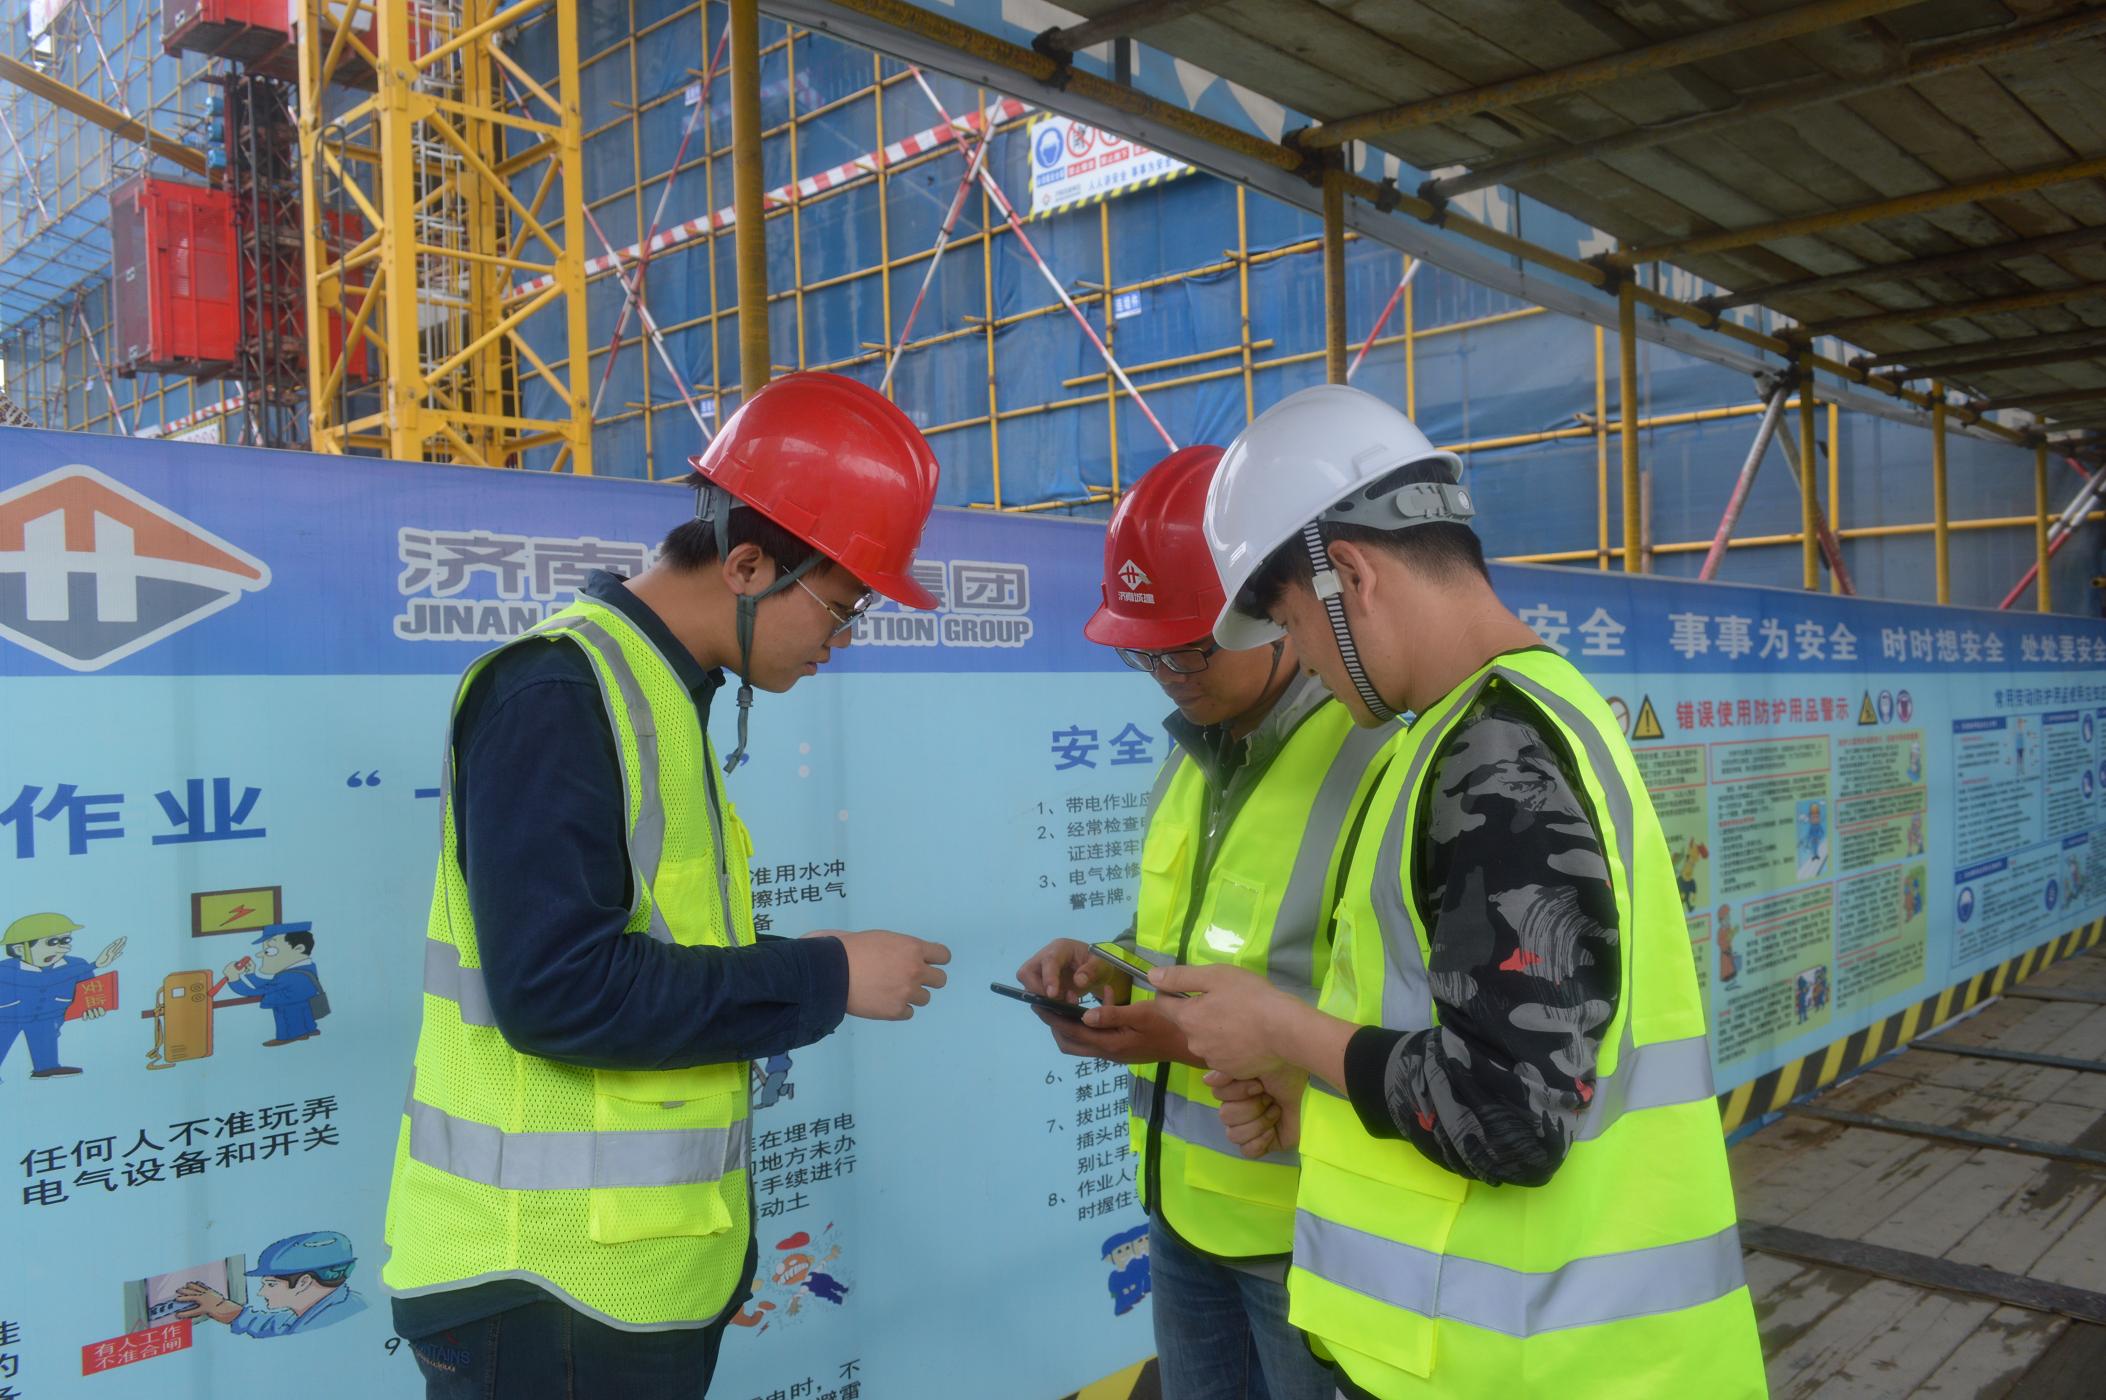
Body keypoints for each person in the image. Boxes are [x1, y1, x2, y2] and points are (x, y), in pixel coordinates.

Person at [1148, 385, 1765, 1398]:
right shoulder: (1492, 724)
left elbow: (1511, 1113)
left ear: (1350, 575)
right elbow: (1493, 1051)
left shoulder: (1493, 753)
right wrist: (1321, 1106)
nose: (1304, 660)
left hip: (1540, 1369)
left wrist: (1280, 1029)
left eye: (1292, 622)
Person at [383, 373, 954, 1398]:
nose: (841, 639)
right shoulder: (556, 692)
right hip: (541, 1285)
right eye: (842, 605)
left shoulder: (659, 693)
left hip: (623, 1284)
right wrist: (825, 975)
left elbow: (643, 952)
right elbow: (559, 988)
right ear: (748, 564)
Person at [1017, 447, 1390, 1400]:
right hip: (1181, 1213)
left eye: (1188, 649)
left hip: (1307, 1229)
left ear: (1273, 612)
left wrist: (1178, 1037)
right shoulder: (1197, 752)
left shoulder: (1374, 755)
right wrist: (1109, 965)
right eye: (1145, 653)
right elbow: (1186, 940)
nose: (1167, 676)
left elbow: (1398, 1017)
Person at [0, 913, 125, 1081]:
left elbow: (89, 993)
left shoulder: (77, 965)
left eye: (66, 940)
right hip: (6, 1017)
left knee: (45, 1036)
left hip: (48, 1017)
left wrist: (93, 1008)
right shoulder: (5, 970)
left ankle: (46, 1067)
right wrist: (94, 965)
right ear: (20, 949)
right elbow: (39, 980)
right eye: (52, 942)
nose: (64, 948)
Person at [175, 1231, 369, 1338]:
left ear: (303, 1282)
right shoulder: (341, 1304)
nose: (261, 1293)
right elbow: (280, 1324)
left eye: (270, 1284)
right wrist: (226, 1309)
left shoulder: (315, 1328)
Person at [221, 922, 326, 1046]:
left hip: (287, 1005)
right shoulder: (307, 966)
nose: (259, 954)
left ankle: (287, 1037)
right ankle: (308, 1030)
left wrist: (234, 979)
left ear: (299, 949)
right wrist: (251, 974)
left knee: (286, 1020)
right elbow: (271, 985)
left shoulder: (288, 976)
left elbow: (253, 992)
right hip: (303, 1000)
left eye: (270, 950)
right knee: (304, 1014)